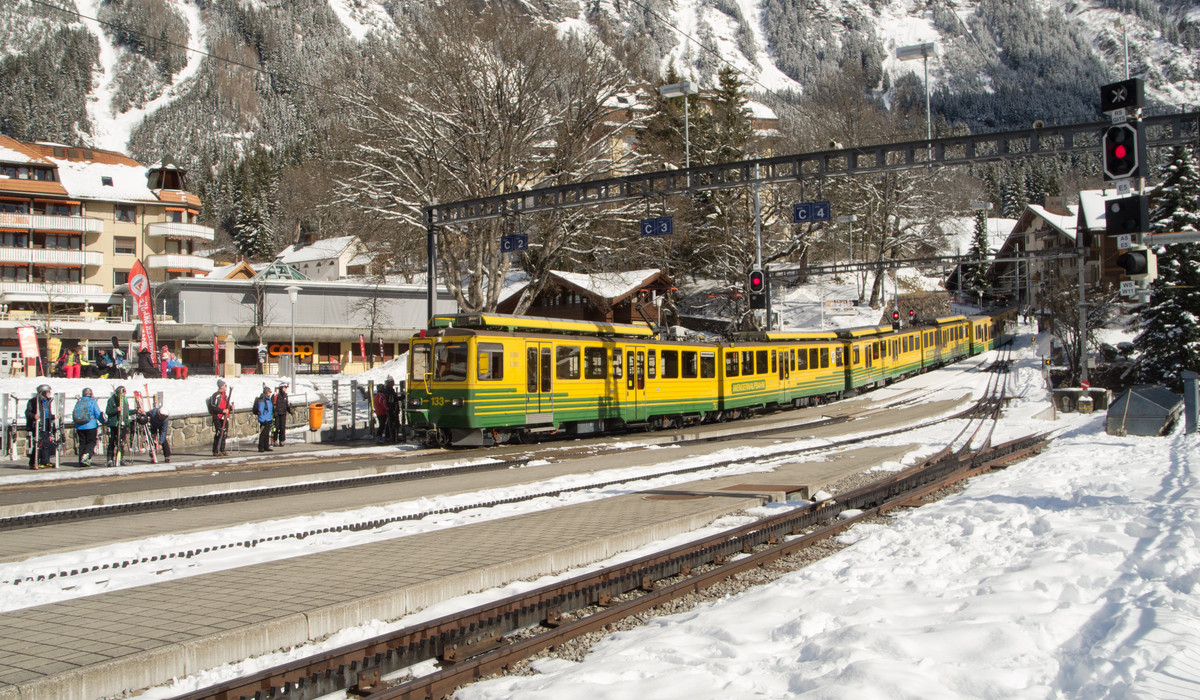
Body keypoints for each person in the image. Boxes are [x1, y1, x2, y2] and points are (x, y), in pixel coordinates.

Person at [24, 384, 56, 469]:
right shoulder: (34, 401)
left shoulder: (47, 401)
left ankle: (45, 461)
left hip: (46, 425)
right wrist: (34, 416)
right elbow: (27, 412)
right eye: (48, 391)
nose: (50, 393)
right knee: (39, 444)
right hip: (38, 426)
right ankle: (33, 462)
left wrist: (54, 417)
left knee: (46, 444)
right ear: (43, 392)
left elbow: (47, 414)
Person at [72, 387, 104, 467]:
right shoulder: (92, 402)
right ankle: (86, 456)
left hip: (79, 426)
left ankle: (81, 462)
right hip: (90, 425)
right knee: (91, 442)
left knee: (82, 443)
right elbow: (97, 413)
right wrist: (102, 421)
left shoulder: (79, 402)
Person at [104, 385, 130, 467]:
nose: (125, 393)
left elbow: (126, 412)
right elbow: (108, 411)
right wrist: (116, 409)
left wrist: (136, 411)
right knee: (113, 441)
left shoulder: (124, 400)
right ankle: (110, 458)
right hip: (115, 423)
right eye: (124, 392)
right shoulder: (112, 400)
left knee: (121, 442)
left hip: (123, 423)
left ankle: (121, 457)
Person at [209, 379, 232, 457]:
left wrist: (230, 408)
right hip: (218, 417)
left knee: (224, 434)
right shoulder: (216, 396)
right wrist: (222, 411)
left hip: (224, 417)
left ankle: (222, 449)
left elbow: (227, 406)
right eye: (225, 385)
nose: (226, 387)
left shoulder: (225, 396)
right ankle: (216, 450)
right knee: (219, 433)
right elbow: (213, 407)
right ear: (221, 386)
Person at [253, 384, 274, 452]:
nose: (270, 393)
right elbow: (260, 411)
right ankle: (261, 447)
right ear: (266, 392)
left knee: (267, 434)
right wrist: (262, 420)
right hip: (264, 420)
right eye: (269, 392)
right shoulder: (262, 400)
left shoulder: (268, 399)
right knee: (263, 434)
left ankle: (266, 446)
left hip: (268, 419)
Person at [272, 382, 292, 446]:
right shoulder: (276, 395)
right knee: (276, 427)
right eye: (284, 387)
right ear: (281, 388)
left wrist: (289, 410)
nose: (285, 389)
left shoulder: (285, 395)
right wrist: (274, 412)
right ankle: (275, 440)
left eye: (286, 388)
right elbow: (273, 404)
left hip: (283, 413)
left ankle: (282, 440)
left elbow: (286, 404)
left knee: (282, 427)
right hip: (277, 414)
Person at [383, 376, 400, 443]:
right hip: (392, 409)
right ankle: (393, 438)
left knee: (390, 424)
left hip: (392, 409)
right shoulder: (389, 390)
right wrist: (401, 397)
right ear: (389, 382)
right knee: (393, 424)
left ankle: (391, 437)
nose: (394, 383)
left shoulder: (389, 390)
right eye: (392, 382)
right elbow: (393, 399)